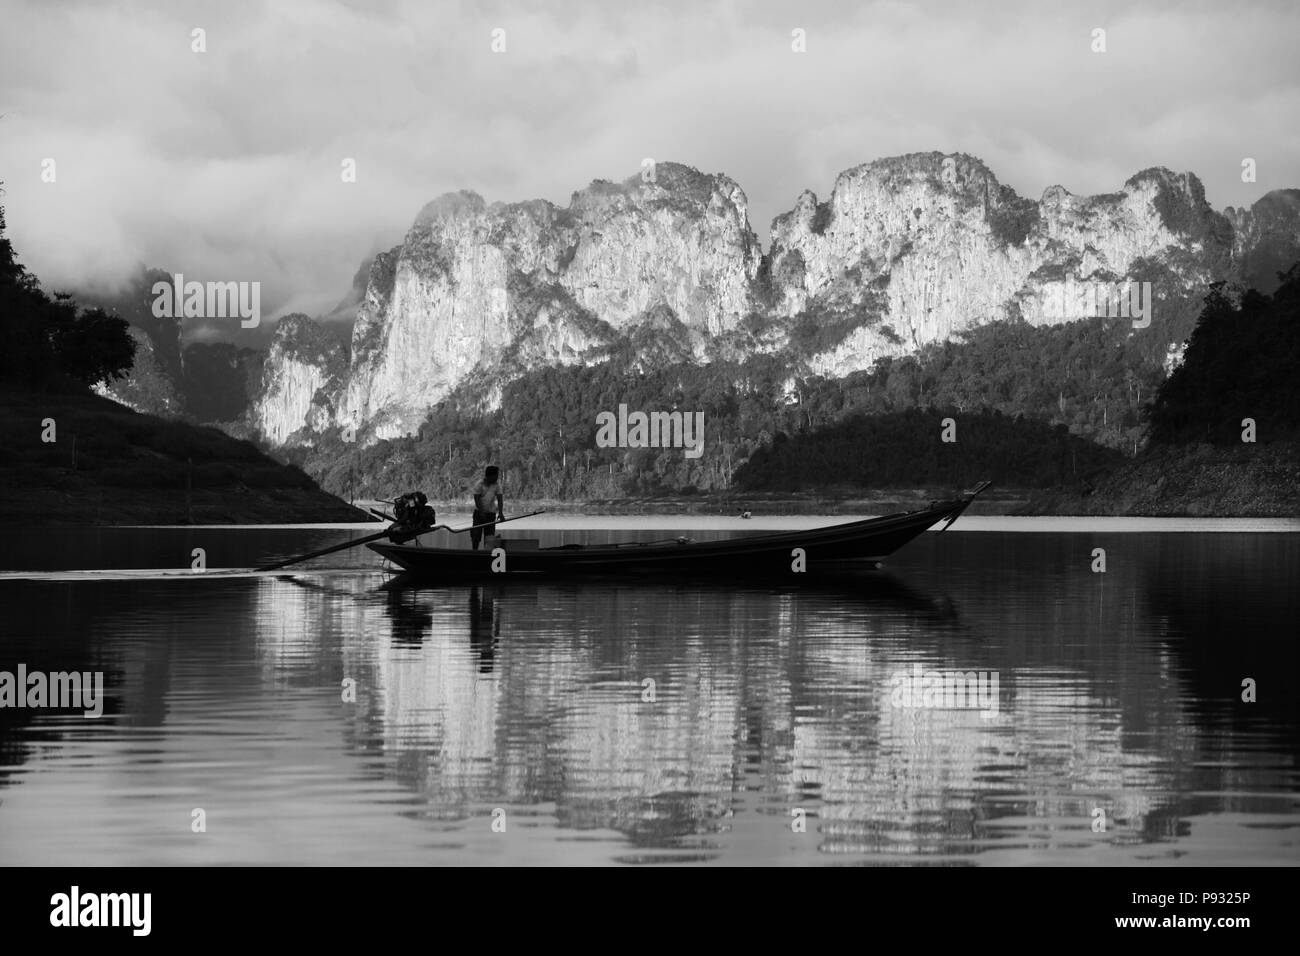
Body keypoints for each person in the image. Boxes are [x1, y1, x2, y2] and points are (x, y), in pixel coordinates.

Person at [469, 465, 504, 550]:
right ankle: (474, 552)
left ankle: (487, 553)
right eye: (495, 475)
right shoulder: (479, 484)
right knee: (476, 536)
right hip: (478, 514)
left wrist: (500, 513)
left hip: (491, 514)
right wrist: (481, 512)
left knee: (489, 538)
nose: (497, 477)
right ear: (490, 476)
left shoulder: (497, 485)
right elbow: (477, 499)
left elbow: (500, 499)